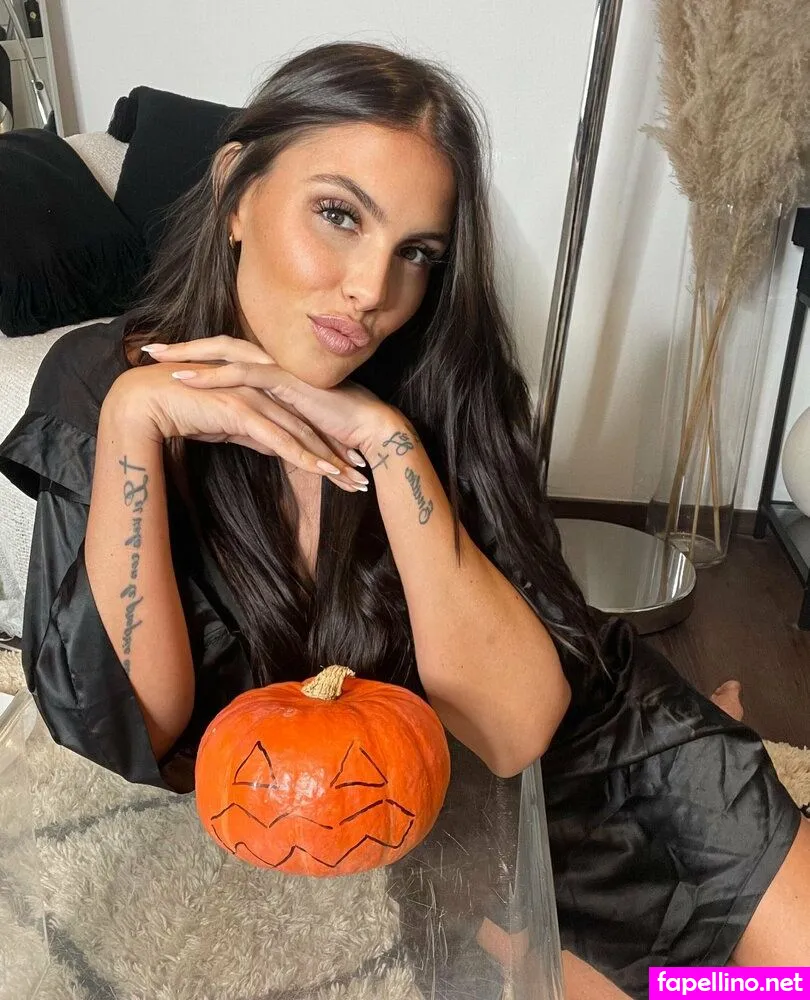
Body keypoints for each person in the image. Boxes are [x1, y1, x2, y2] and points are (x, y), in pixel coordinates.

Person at [0, 40, 808, 999]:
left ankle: (709, 726)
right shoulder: (104, 385)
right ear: (236, 192)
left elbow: (515, 728)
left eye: (416, 254)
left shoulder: (446, 389)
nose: (372, 292)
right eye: (339, 215)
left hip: (601, 741)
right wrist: (136, 424)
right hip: (432, 818)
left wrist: (387, 442)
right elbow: (136, 726)